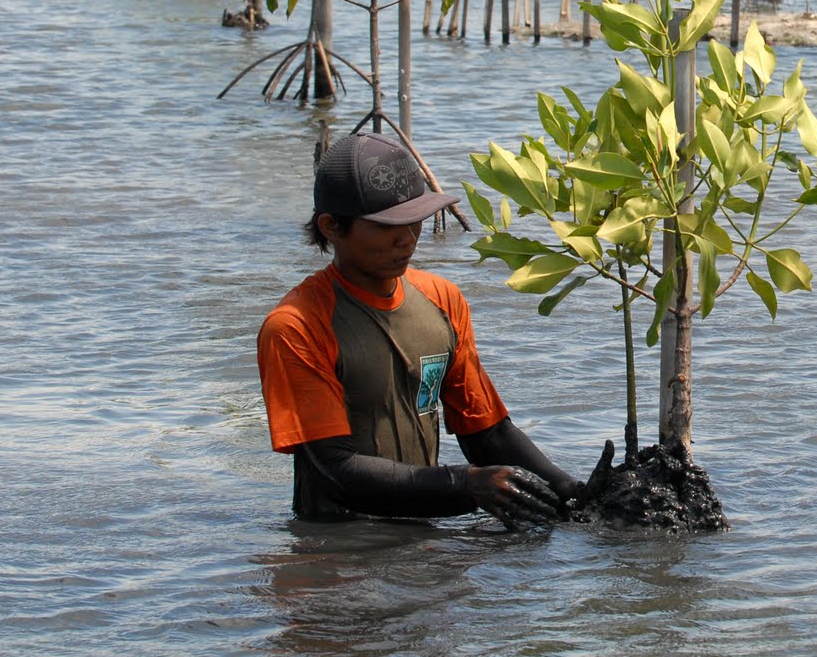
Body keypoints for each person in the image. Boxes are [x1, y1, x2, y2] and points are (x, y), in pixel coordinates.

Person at [257, 130, 609, 526]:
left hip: (419, 527)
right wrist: (466, 486)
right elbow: (337, 471)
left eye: (415, 221)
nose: (407, 240)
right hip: (340, 543)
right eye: (387, 226)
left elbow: (486, 435)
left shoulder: (442, 299)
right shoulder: (296, 326)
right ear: (330, 226)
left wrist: (574, 492)